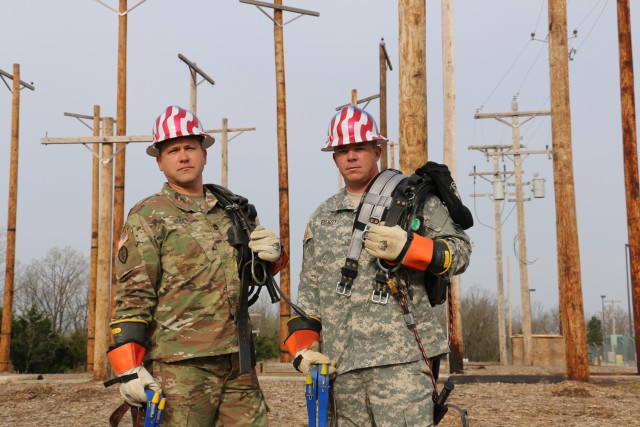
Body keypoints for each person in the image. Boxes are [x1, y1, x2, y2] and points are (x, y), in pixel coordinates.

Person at [285, 106, 472, 426]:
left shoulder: (415, 201)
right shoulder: (322, 217)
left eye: (359, 148)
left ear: (377, 151)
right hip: (341, 371)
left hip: (402, 366)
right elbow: (309, 296)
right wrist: (302, 352)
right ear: (334, 158)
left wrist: (412, 248)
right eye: (342, 150)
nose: (351, 156)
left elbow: (460, 252)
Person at [106, 105, 286, 426]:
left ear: (204, 153)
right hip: (180, 366)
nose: (183, 156)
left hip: (238, 362)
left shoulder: (234, 209)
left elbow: (254, 277)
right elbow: (133, 296)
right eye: (173, 150)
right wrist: (128, 368)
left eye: (190, 147)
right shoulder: (147, 215)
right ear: (160, 162)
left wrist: (273, 257)